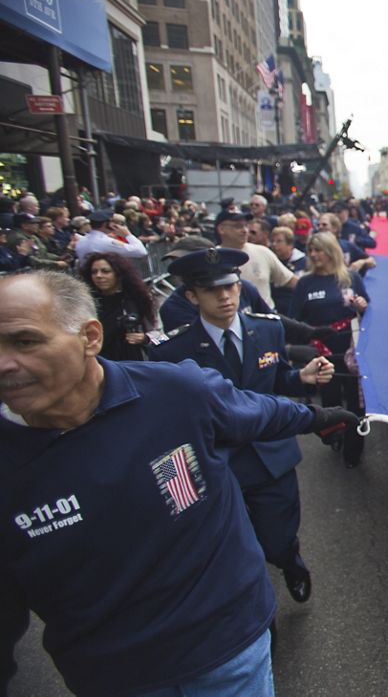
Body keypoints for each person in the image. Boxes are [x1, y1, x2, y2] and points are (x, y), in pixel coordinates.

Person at [0, 270, 355, 696]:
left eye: (25, 341)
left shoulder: (176, 392)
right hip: (117, 678)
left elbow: (255, 409)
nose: (4, 363)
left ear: (90, 337)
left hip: (231, 653)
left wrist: (318, 418)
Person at [153, 248, 337, 603]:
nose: (224, 297)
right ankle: (255, 609)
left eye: (231, 287)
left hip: (271, 455)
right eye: (211, 290)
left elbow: (276, 378)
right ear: (192, 296)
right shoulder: (172, 351)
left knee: (278, 534)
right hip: (217, 462)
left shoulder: (266, 329)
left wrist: (302, 377)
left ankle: (288, 560)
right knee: (229, 545)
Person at [290, 232, 370, 468]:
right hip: (322, 354)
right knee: (330, 401)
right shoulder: (305, 282)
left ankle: (354, 451)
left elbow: (369, 312)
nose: (314, 255)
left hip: (350, 352)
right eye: (311, 250)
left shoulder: (350, 278)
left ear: (332, 251)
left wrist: (362, 307)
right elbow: (294, 318)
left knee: (356, 404)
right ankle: (334, 436)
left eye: (319, 250)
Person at [80, 252, 157, 361]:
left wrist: (145, 338)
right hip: (98, 361)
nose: (99, 276)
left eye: (105, 271)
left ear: (119, 273)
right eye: (94, 272)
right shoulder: (86, 301)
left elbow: (158, 334)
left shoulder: (135, 299)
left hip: (131, 362)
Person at [215, 209, 297, 310]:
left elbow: (291, 281)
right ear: (221, 229)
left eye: (246, 225)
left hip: (265, 320)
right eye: (237, 226)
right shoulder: (213, 259)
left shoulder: (262, 252)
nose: (245, 230)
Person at [73, 208, 147, 265]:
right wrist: (128, 235)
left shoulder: (81, 241)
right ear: (105, 224)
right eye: (112, 221)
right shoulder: (106, 242)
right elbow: (141, 251)